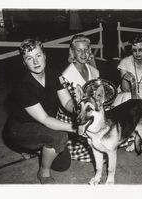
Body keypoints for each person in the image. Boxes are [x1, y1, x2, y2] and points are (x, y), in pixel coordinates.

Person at [6, 38, 76, 184]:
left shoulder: (53, 73)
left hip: (43, 125)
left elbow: (67, 102)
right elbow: (45, 119)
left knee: (63, 165)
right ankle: (43, 173)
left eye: (38, 56)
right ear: (24, 62)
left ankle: (36, 149)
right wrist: (75, 128)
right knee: (60, 136)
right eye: (29, 58)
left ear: (45, 56)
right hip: (20, 128)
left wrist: (80, 108)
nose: (36, 62)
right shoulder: (22, 86)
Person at [56, 34, 99, 162]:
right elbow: (68, 105)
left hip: (89, 113)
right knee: (92, 151)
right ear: (72, 52)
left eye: (86, 49)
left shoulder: (94, 71)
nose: (83, 53)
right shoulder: (65, 76)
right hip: (71, 118)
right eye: (79, 50)